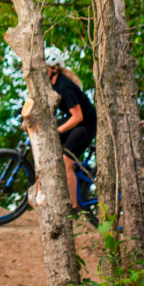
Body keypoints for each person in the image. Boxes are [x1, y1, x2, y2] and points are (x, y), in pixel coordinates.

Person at [44, 47, 97, 213]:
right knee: (45, 134)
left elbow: (78, 116)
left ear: (53, 68)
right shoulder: (51, 84)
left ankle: (74, 207)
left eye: (43, 67)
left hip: (86, 125)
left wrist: (58, 131)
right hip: (76, 122)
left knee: (66, 162)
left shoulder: (64, 86)